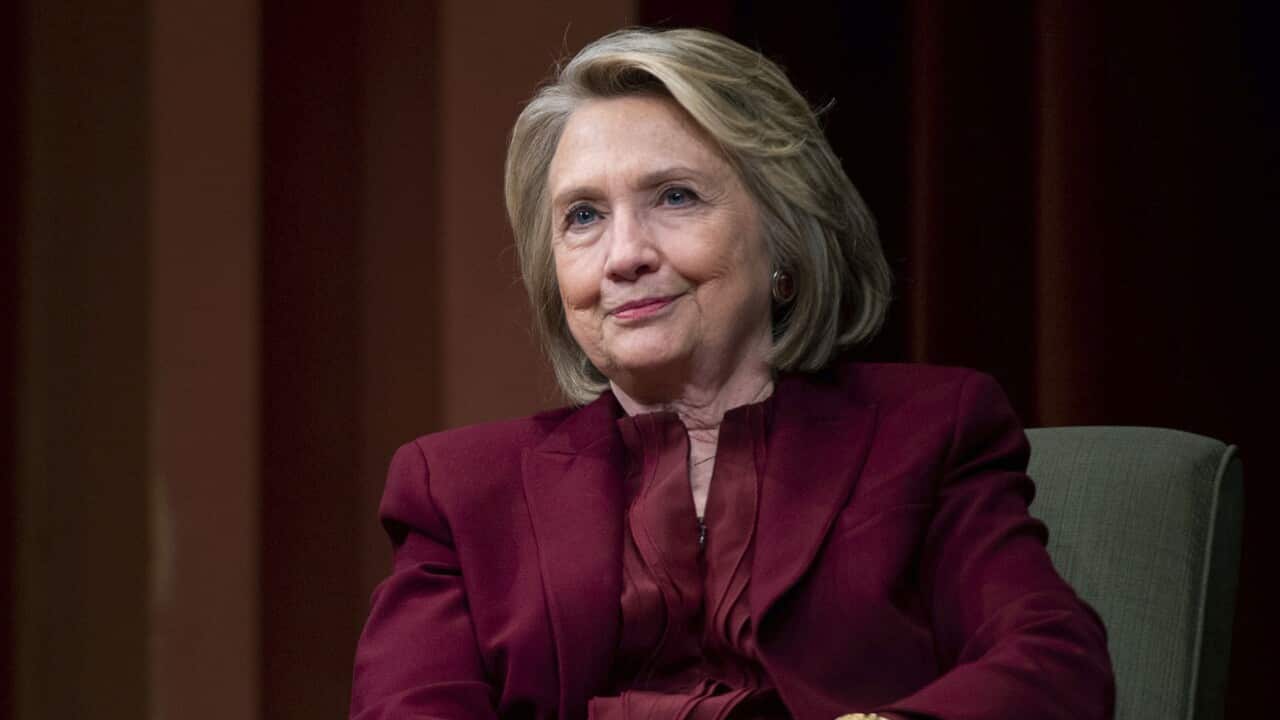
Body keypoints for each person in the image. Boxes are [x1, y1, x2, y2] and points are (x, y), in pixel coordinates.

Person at [349, 27, 1114, 720]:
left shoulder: (932, 432)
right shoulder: (458, 491)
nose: (624, 255)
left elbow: (1052, 662)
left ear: (782, 237)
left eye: (675, 197)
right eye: (583, 217)